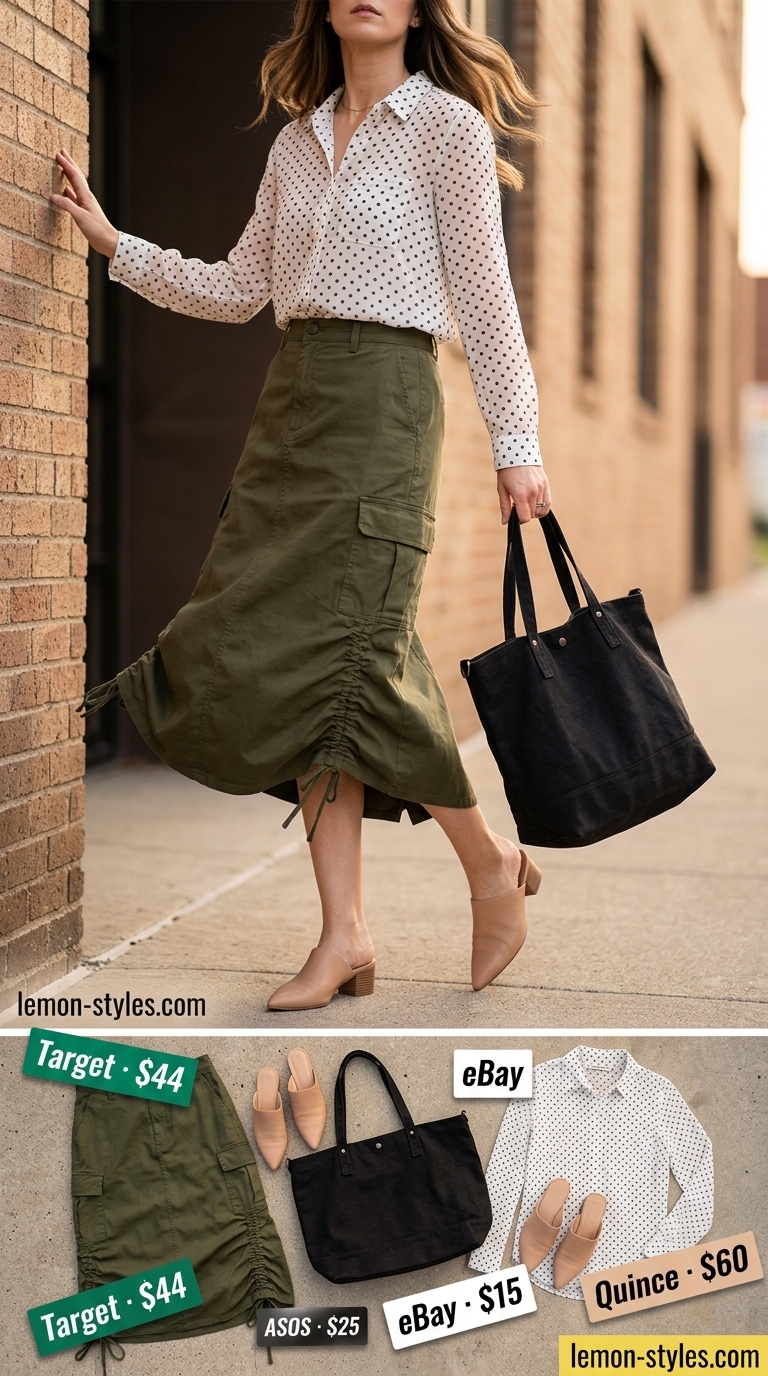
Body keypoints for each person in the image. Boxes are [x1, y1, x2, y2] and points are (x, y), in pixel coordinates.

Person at [53, 0, 551, 1013]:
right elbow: (240, 285)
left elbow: (488, 298)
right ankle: (347, 935)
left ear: (420, 9)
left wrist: (519, 445)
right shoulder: (296, 143)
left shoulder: (448, 128)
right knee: (308, 661)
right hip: (294, 411)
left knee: (361, 653)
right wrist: (116, 245)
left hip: (385, 408)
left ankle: (488, 861)